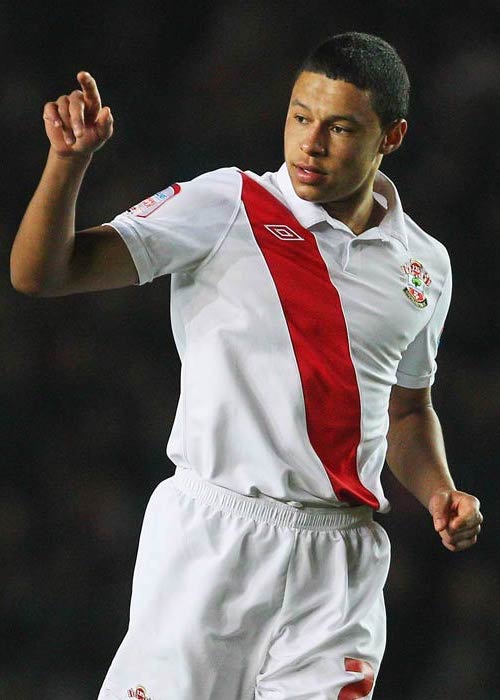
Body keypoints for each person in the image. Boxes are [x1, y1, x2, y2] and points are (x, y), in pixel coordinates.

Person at [11, 31, 483, 700]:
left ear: (392, 137)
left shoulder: (423, 265)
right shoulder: (228, 205)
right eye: (299, 116)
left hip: (338, 560)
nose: (310, 143)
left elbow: (407, 409)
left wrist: (438, 490)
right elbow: (41, 274)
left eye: (339, 127)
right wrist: (66, 163)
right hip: (213, 536)